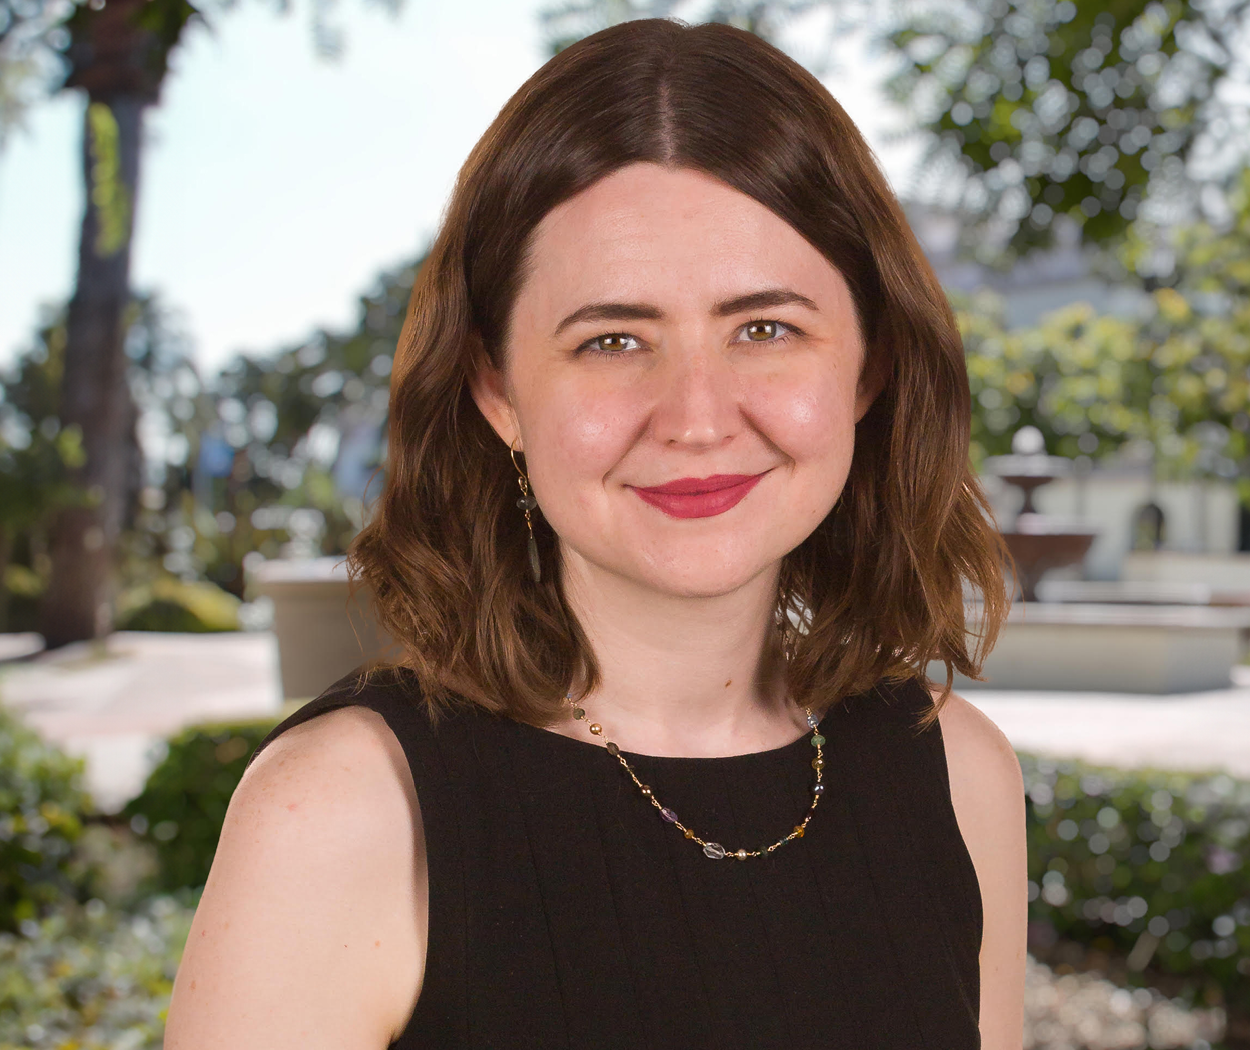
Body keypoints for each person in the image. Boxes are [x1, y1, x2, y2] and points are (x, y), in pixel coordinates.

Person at [165, 17, 1025, 1050]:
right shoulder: (342, 815)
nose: (697, 416)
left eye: (765, 329)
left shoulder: (957, 775)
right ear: (496, 389)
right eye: (612, 339)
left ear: (868, 370)